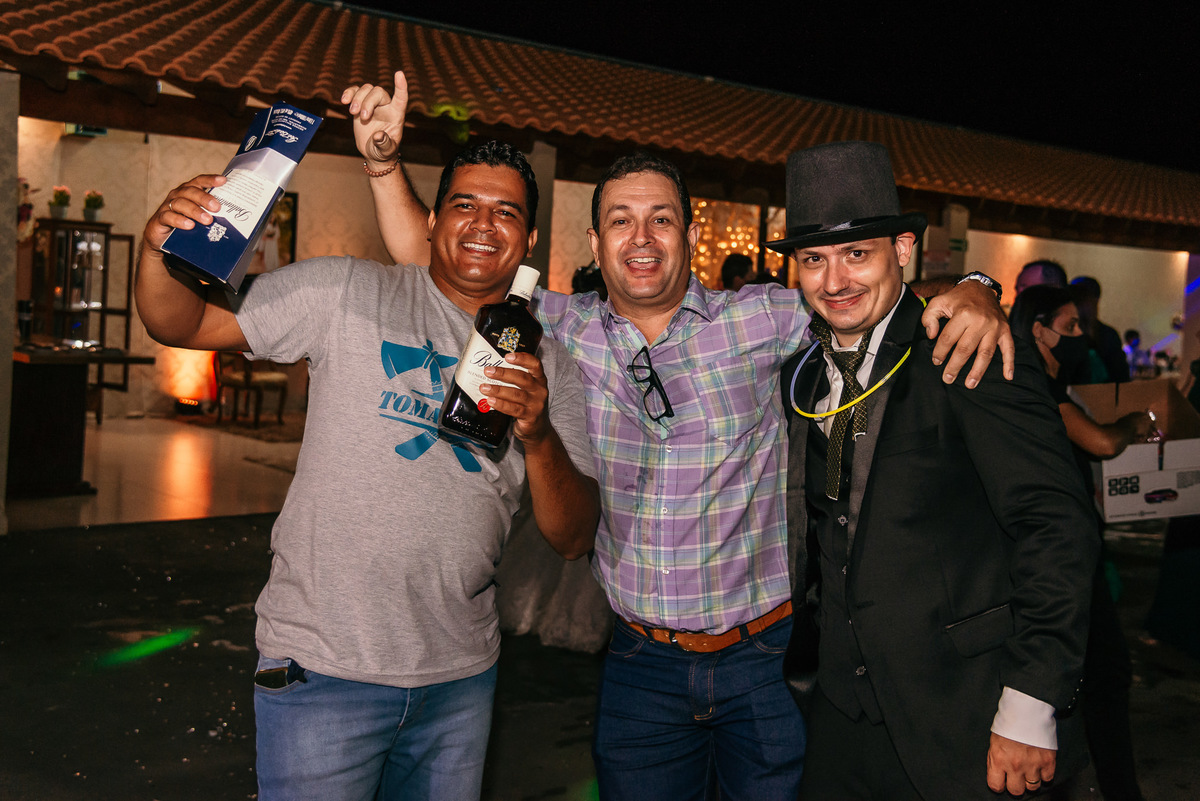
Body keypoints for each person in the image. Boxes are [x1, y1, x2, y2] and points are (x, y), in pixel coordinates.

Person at [345, 72, 1015, 800]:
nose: (641, 239)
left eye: (661, 219)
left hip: (766, 659)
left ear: (691, 236)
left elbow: (869, 296)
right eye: (621, 221)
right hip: (641, 665)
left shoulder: (761, 319)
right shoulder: (560, 326)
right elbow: (435, 259)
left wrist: (976, 288)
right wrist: (383, 164)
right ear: (596, 241)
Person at [135, 136, 601, 800]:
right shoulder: (347, 290)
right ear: (432, 221)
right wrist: (159, 250)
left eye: (506, 212)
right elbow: (180, 323)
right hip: (324, 669)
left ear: (527, 240)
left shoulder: (549, 366)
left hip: (459, 679)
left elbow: (574, 536)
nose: (482, 223)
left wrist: (538, 432)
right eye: (464, 204)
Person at [776, 141, 1097, 800]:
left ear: (902, 249)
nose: (834, 281)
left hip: (966, 715)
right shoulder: (800, 374)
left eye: (856, 254)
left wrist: (1031, 701)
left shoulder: (969, 350)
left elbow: (1056, 527)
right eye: (814, 259)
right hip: (839, 714)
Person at [1010, 284, 1153, 801]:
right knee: (1102, 674)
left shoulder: (1050, 384)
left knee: (1096, 676)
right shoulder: (1038, 389)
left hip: (1067, 551)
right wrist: (1136, 422)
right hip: (1060, 560)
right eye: (1069, 327)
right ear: (1038, 330)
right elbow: (1102, 441)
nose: (1080, 337)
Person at [1070, 276, 1131, 383]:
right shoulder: (1063, 334)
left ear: (1095, 300)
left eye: (1083, 297)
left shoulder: (1108, 335)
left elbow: (1120, 376)